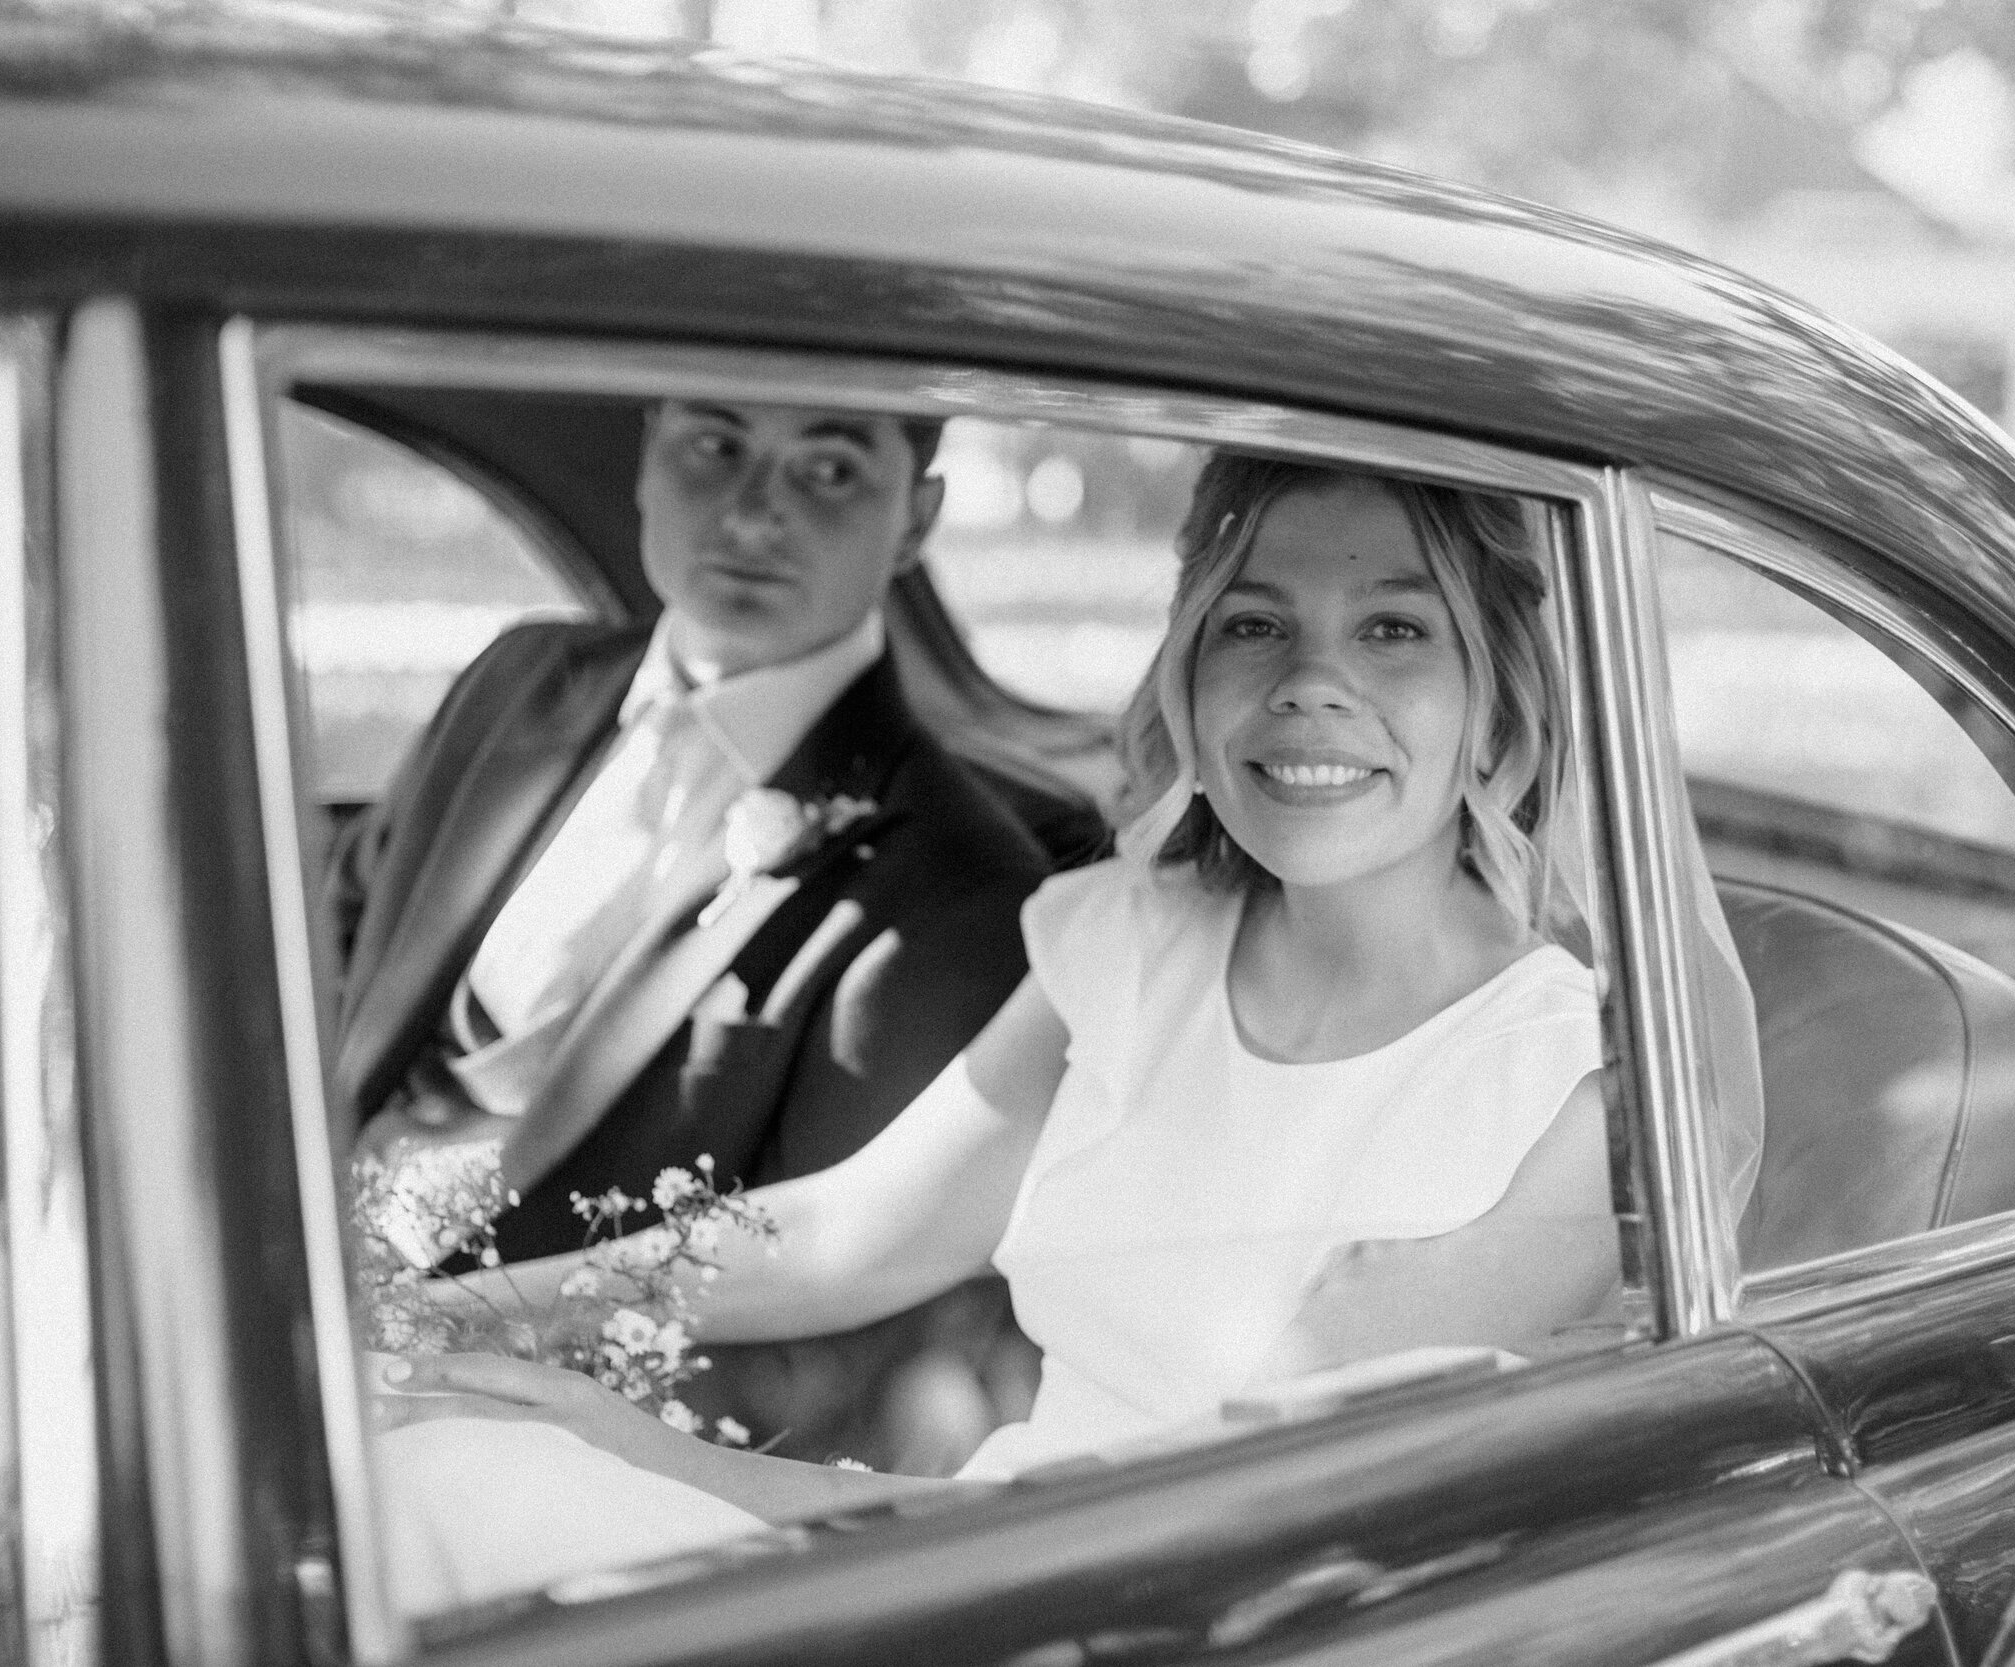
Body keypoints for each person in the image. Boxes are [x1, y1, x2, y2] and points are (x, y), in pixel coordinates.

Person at [374, 452, 1619, 1534]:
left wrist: (677, 1468)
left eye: (1394, 628)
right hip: (977, 1551)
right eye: (1253, 623)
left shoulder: (1570, 1098)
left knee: (462, 1510)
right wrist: (438, 1317)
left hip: (1142, 1599)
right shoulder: (1144, 937)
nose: (1308, 682)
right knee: (414, 1472)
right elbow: (844, 1237)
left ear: (1498, 700)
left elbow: (1186, 1525)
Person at [333, 399, 1053, 1461]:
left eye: (829, 471)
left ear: (916, 518)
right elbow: (331, 948)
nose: (754, 514)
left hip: (511, 1427)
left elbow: (814, 1341)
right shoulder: (514, 680)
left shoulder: (960, 880)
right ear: (646, 463)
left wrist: (423, 1360)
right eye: (717, 449)